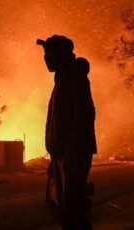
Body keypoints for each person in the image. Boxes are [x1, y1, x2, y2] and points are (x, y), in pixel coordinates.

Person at [37, 35, 97, 229]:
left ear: (60, 54)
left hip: (73, 154)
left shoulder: (74, 77)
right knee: (67, 212)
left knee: (74, 213)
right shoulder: (63, 78)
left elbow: (84, 116)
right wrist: (53, 158)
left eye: (48, 54)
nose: (46, 59)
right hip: (63, 155)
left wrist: (72, 152)